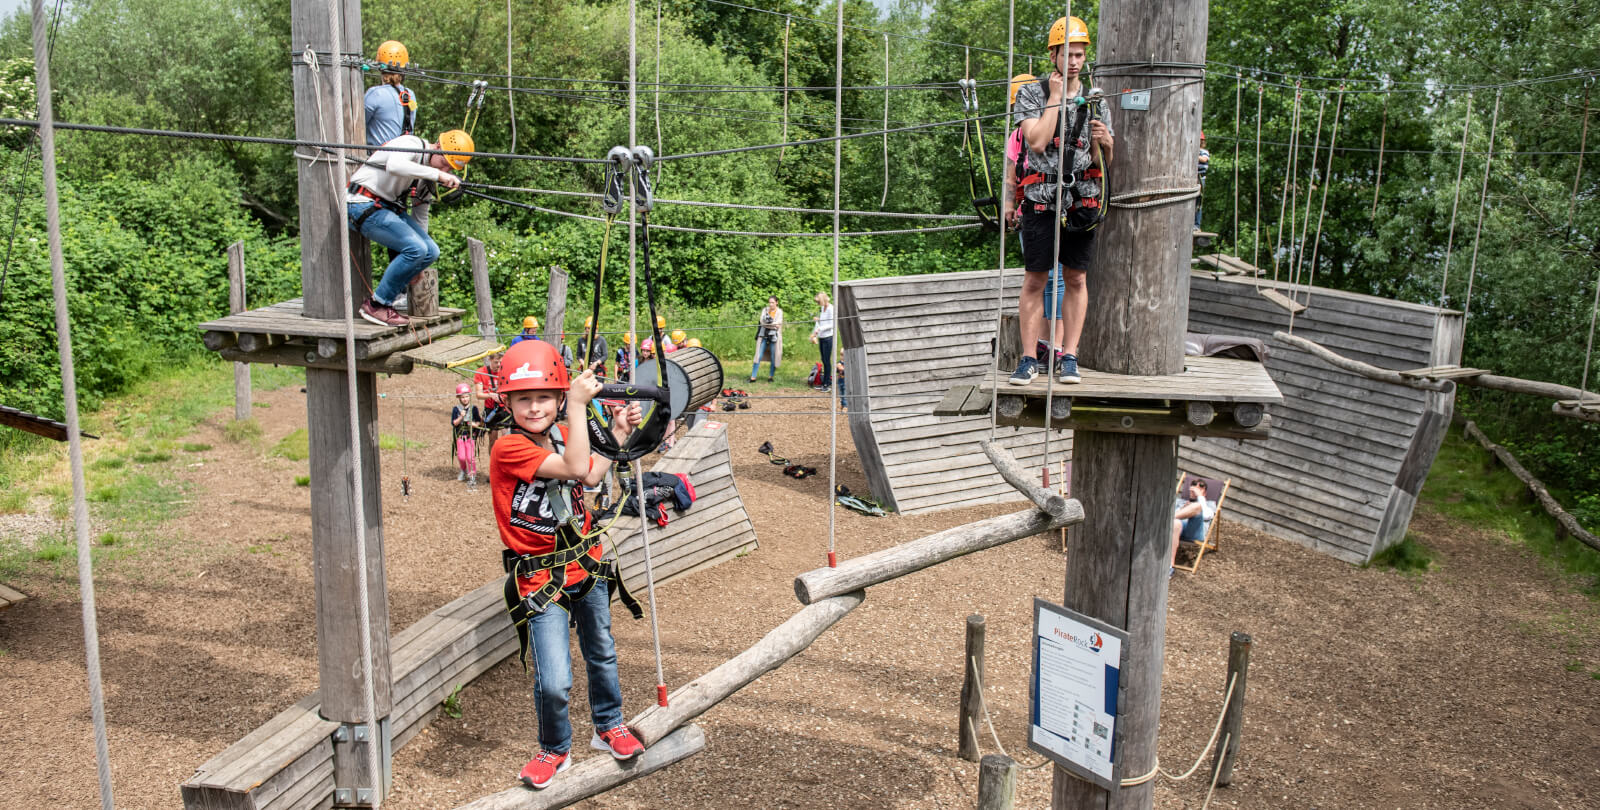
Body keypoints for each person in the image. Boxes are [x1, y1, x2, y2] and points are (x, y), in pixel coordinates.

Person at [488, 339, 647, 789]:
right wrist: (577, 406)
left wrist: (616, 432)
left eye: (545, 397)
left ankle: (608, 725)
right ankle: (555, 748)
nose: (534, 407)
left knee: (602, 653)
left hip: (586, 564)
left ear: (557, 398)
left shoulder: (561, 434)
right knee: (554, 679)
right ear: (508, 403)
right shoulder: (508, 448)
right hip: (540, 578)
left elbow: (591, 474)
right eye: (523, 399)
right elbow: (576, 467)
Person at [1010, 16, 1114, 387]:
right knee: (1035, 279)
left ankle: (1069, 356)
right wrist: (1055, 98)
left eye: (1079, 55)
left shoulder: (1097, 101)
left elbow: (1102, 163)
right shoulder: (1031, 94)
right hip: (1041, 200)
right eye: (1067, 54)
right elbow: (1037, 141)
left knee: (1076, 277)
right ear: (1053, 54)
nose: (1073, 61)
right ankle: (1028, 358)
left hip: (1081, 200)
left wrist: (1106, 144)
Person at [347, 129, 473, 326]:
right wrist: (438, 174)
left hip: (385, 208)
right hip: (361, 204)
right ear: (437, 146)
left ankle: (391, 298)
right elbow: (395, 165)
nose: (446, 170)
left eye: (450, 168)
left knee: (430, 251)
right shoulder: (411, 143)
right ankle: (377, 304)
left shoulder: (428, 176)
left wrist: (419, 263)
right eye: (444, 163)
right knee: (416, 248)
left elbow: (420, 214)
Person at [364, 41, 419, 147]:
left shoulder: (375, 94)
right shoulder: (410, 94)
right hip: (405, 152)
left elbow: (358, 122)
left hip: (379, 154)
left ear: (381, 68)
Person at [1171, 478, 1216, 571]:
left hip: (1194, 532)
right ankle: (1169, 567)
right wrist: (1182, 509)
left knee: (1197, 506)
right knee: (1175, 523)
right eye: (1194, 485)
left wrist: (1200, 497)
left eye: (1201, 487)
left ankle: (1168, 519)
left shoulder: (1208, 504)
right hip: (1176, 529)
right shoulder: (1179, 502)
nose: (1196, 488)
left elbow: (1207, 516)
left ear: (1204, 493)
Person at [450, 382, 483, 486]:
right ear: (459, 398)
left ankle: (472, 475)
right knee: (461, 457)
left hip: (470, 436)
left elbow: (479, 422)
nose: (465, 399)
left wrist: (474, 424)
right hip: (460, 436)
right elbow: (454, 423)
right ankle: (463, 470)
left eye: (467, 396)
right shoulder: (456, 409)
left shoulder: (474, 409)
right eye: (462, 397)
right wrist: (461, 417)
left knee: (470, 457)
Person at [475, 351, 506, 445]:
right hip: (491, 409)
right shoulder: (481, 373)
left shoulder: (505, 371)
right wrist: (490, 395)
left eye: (501, 362)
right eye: (496, 362)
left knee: (507, 437)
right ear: (490, 360)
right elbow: (479, 394)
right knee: (493, 440)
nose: (499, 365)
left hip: (505, 408)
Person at [750, 296, 783, 382]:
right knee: (758, 355)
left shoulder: (779, 312)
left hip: (774, 337)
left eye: (772, 302)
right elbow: (762, 322)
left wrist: (769, 324)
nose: (771, 304)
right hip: (763, 335)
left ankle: (770, 377)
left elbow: (779, 323)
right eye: (769, 302)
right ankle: (753, 377)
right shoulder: (765, 310)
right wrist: (773, 325)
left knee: (773, 356)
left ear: (776, 302)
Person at [809, 291, 835, 391]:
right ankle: (824, 381)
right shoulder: (822, 308)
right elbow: (825, 321)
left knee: (827, 360)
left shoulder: (831, 308)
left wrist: (820, 329)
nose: (818, 304)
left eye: (818, 302)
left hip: (828, 337)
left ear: (823, 300)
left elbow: (832, 324)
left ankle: (827, 383)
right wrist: (819, 320)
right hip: (822, 337)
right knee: (823, 359)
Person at [1195, 132, 1210, 233]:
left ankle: (1196, 225)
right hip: (1192, 178)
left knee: (1198, 202)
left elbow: (1204, 159)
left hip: (1200, 178)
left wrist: (1194, 154)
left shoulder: (1204, 152)